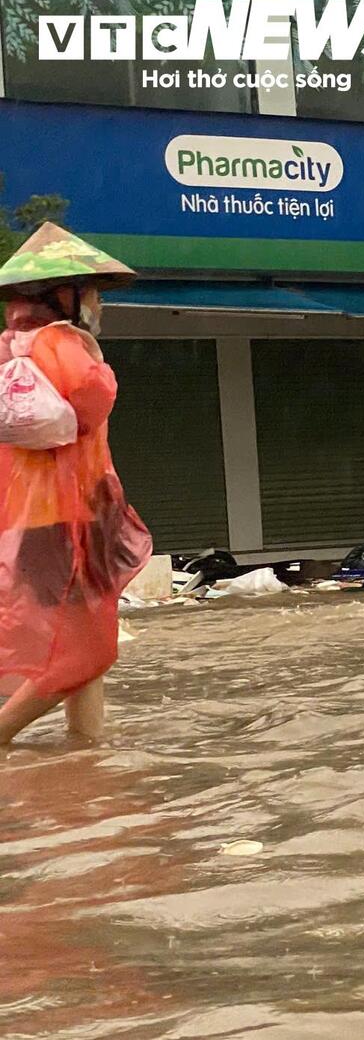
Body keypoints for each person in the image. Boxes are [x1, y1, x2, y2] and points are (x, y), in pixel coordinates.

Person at [0, 225, 152, 745]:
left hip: (33, 523)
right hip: (69, 521)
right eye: (93, 294)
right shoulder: (60, 343)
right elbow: (93, 400)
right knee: (86, 650)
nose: (100, 306)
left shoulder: (11, 346)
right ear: (63, 296)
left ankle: (86, 750)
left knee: (83, 644)